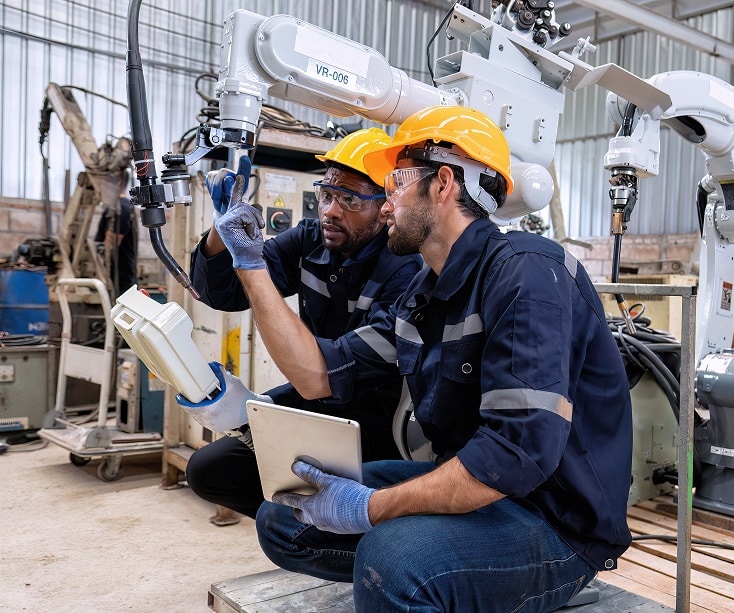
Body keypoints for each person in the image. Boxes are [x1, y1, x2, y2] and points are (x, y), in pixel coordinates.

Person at [213, 106, 632, 612]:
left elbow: (516, 455)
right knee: (285, 517)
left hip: (551, 520)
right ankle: (442, 577)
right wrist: (251, 265)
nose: (385, 204)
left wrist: (370, 509)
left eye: (395, 183)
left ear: (444, 184)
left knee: (393, 562)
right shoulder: (424, 292)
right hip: (474, 492)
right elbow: (315, 376)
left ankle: (428, 577)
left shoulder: (528, 273)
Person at [184, 128, 423, 519]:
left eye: (349, 199)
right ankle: (307, 525)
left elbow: (323, 374)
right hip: (317, 401)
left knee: (282, 512)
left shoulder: (405, 271)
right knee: (210, 471)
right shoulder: (311, 241)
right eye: (327, 194)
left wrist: (252, 262)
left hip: (377, 420)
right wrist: (220, 229)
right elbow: (223, 294)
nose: (329, 209)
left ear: (385, 207)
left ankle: (332, 536)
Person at [95, 178, 138, 297]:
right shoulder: (118, 206)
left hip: (120, 276)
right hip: (117, 274)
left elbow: (112, 244)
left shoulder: (121, 207)